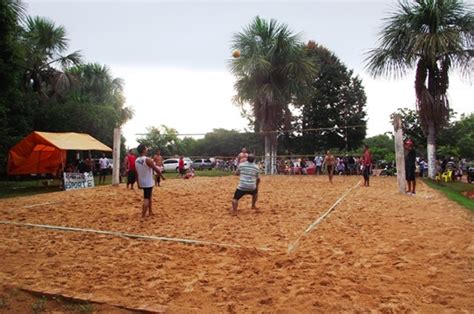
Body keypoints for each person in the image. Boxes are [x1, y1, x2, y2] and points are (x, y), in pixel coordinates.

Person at [135, 144, 165, 219]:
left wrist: (138, 183)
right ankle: (143, 216)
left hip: (142, 181)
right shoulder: (147, 159)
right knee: (146, 198)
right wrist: (162, 176)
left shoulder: (137, 160)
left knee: (149, 196)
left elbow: (137, 173)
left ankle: (150, 211)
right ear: (143, 150)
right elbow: (156, 169)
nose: (147, 149)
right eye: (146, 148)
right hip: (148, 182)